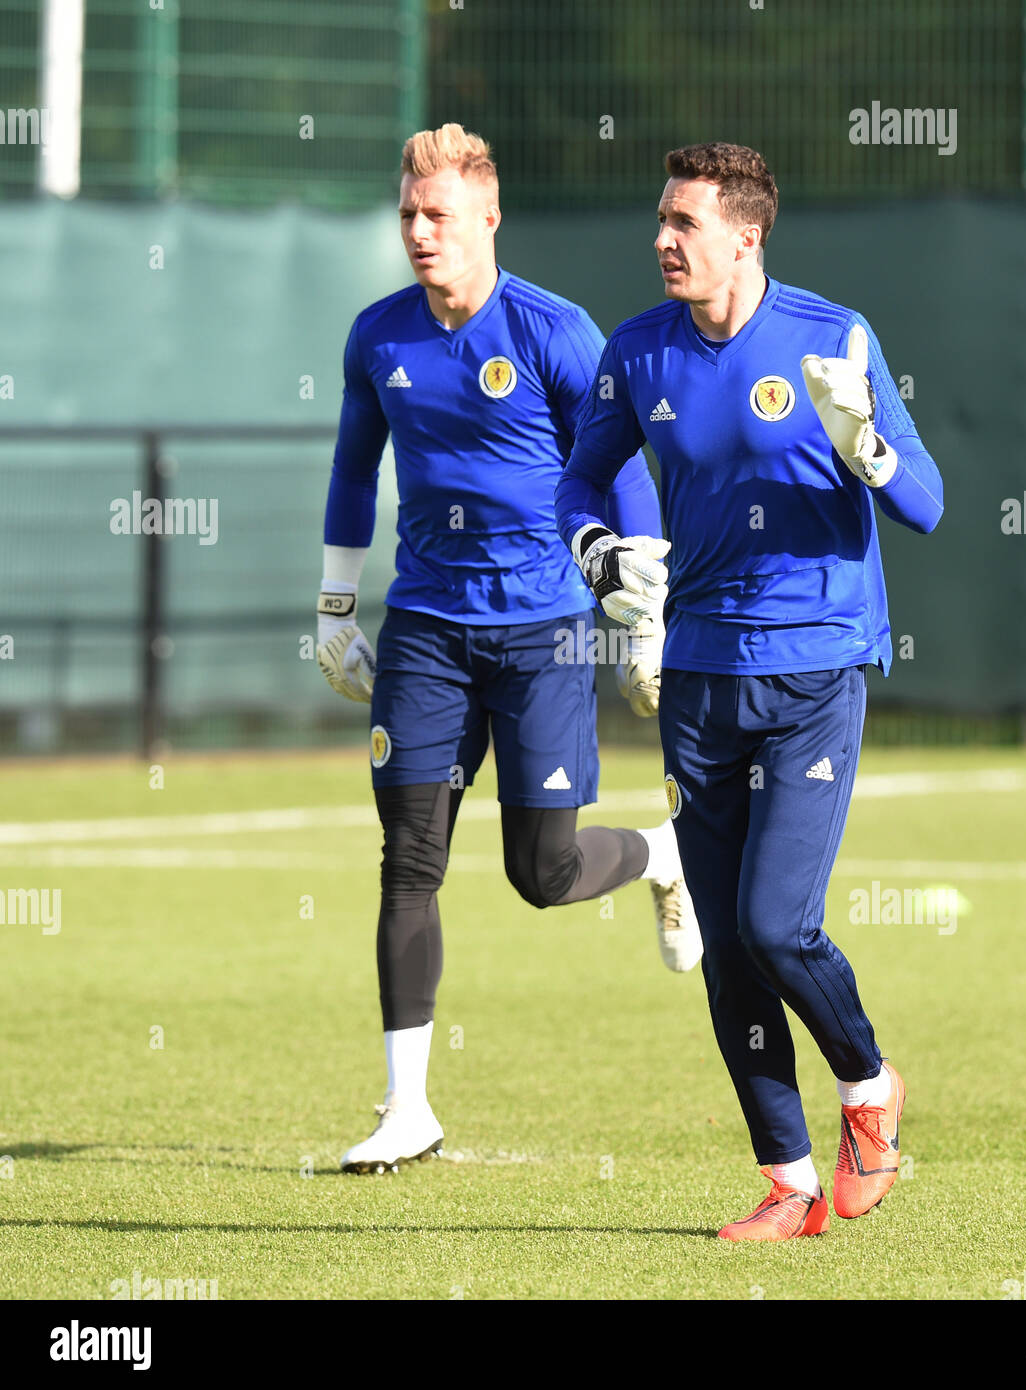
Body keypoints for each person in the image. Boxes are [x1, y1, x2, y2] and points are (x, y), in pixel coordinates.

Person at [555, 141, 943, 1238]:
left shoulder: (835, 336)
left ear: (747, 233)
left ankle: (868, 1089)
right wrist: (595, 550)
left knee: (779, 924)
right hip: (698, 678)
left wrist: (866, 446)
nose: (666, 240)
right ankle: (790, 1182)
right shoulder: (638, 354)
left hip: (815, 668)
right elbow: (580, 479)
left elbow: (927, 502)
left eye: (686, 222)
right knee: (727, 947)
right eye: (662, 221)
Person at [317, 123, 702, 1174]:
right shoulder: (379, 336)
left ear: (488, 218)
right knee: (408, 862)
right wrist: (335, 604)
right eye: (406, 212)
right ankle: (408, 1108)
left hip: (543, 631)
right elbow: (356, 468)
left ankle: (661, 855)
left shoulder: (556, 331)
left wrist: (642, 600)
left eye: (436, 213)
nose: (417, 231)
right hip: (428, 629)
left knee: (543, 871)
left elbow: (620, 461)